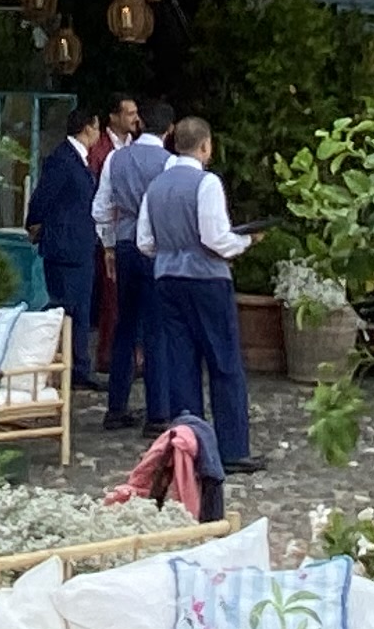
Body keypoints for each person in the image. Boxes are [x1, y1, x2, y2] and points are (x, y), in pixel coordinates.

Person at [140, 114, 256, 474]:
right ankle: (233, 448)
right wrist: (246, 240)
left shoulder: (155, 186)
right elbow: (215, 238)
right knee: (224, 363)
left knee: (182, 364)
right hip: (206, 280)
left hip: (167, 279)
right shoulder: (206, 184)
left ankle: (190, 447)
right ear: (206, 146)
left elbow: (145, 241)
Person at [91, 92, 168, 429]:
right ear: (171, 129)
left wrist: (108, 246)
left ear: (140, 122)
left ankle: (116, 406)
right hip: (156, 250)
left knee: (124, 326)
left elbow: (101, 208)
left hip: (123, 243)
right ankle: (158, 412)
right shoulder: (167, 163)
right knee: (156, 330)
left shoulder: (116, 160)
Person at [25, 98, 108, 392]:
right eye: (97, 127)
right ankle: (66, 363)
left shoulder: (78, 159)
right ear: (88, 127)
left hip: (79, 244)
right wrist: (35, 225)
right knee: (66, 306)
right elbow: (42, 197)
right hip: (65, 245)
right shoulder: (63, 159)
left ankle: (78, 367)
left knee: (80, 309)